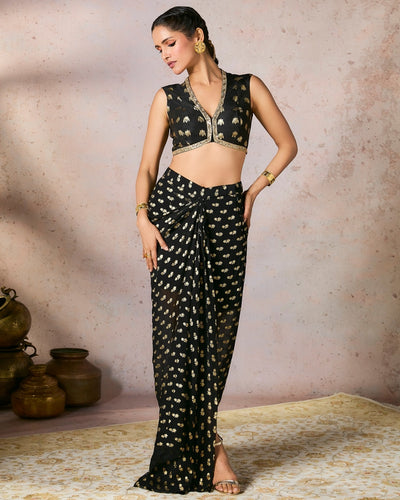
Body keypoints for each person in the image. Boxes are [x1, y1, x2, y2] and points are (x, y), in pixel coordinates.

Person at [133, 6, 297, 495]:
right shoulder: (166, 98)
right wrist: (142, 219)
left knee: (218, 329)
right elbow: (147, 167)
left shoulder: (248, 87)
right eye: (158, 48)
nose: (165, 55)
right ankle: (209, 449)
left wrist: (253, 191)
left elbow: (287, 144)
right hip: (173, 211)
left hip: (226, 212)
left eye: (170, 43)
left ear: (197, 36)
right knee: (174, 333)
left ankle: (208, 437)